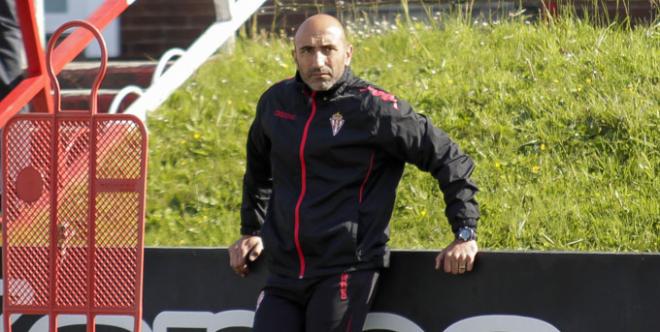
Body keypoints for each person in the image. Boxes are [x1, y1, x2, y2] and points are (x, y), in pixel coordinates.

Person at [229, 13, 480, 332]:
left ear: (348, 53)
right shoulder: (275, 102)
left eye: (328, 49)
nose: (317, 60)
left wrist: (465, 232)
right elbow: (258, 170)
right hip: (284, 272)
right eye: (306, 51)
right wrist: (251, 230)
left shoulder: (375, 109)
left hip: (345, 270)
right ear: (294, 56)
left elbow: (448, 157)